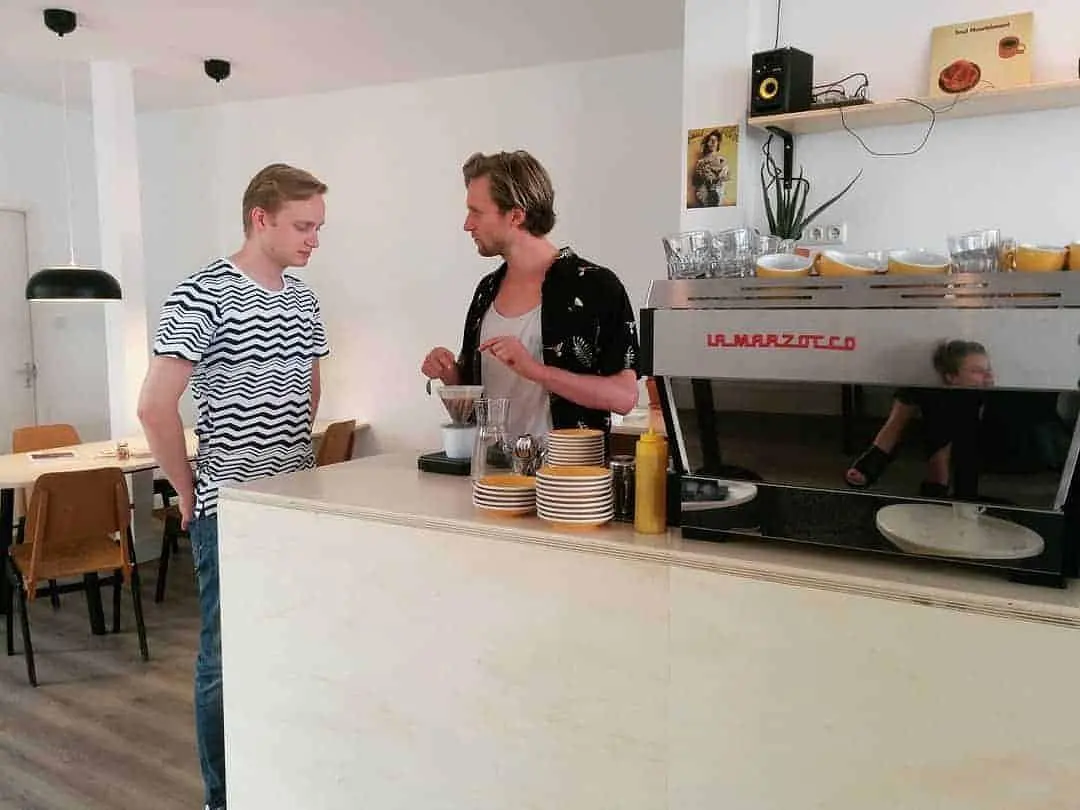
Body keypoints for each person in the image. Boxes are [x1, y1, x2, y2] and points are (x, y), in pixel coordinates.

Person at [137, 163, 330, 810]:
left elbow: (309, 388)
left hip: (298, 502)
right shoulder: (203, 292)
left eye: (318, 227)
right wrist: (186, 490)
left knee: (292, 646)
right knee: (224, 658)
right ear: (260, 218)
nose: (314, 240)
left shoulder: (304, 297)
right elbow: (154, 406)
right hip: (233, 507)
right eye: (303, 226)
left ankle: (282, 777)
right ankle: (223, 799)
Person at [421, 149, 640, 443]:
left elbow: (624, 397)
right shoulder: (487, 290)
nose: (467, 224)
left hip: (568, 470)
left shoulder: (597, 286)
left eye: (476, 212)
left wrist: (534, 370)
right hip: (491, 468)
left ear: (515, 215)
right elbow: (472, 410)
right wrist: (449, 376)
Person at [845, 339, 993, 497]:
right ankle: (938, 472)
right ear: (951, 376)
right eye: (976, 371)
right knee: (927, 393)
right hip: (940, 386)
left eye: (988, 369)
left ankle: (943, 477)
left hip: (972, 420)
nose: (987, 375)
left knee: (958, 401)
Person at [691, 129, 730, 207]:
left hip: (718, 196)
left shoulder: (722, 160)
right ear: (707, 143)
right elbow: (695, 183)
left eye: (715, 140)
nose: (713, 142)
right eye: (711, 140)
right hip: (704, 198)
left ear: (718, 143)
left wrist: (720, 177)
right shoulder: (700, 162)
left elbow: (725, 178)